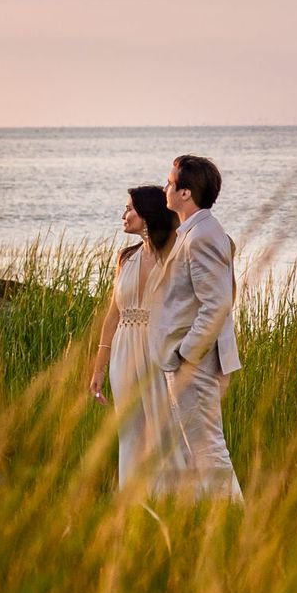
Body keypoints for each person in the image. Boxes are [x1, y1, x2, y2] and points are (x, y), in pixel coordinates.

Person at [151, 153, 243, 500]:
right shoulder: (196, 231)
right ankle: (214, 521)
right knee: (197, 451)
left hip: (197, 363)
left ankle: (234, 521)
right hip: (193, 362)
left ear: (186, 193)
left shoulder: (202, 235)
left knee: (208, 450)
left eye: (170, 183)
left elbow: (217, 304)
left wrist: (186, 354)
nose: (165, 189)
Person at [88, 185, 181, 489]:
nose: (123, 215)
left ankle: (171, 497)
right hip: (123, 353)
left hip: (158, 350)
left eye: (129, 208)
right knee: (130, 430)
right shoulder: (125, 258)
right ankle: (133, 501)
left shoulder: (175, 253)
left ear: (148, 213)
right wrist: (99, 368)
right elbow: (112, 316)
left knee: (163, 428)